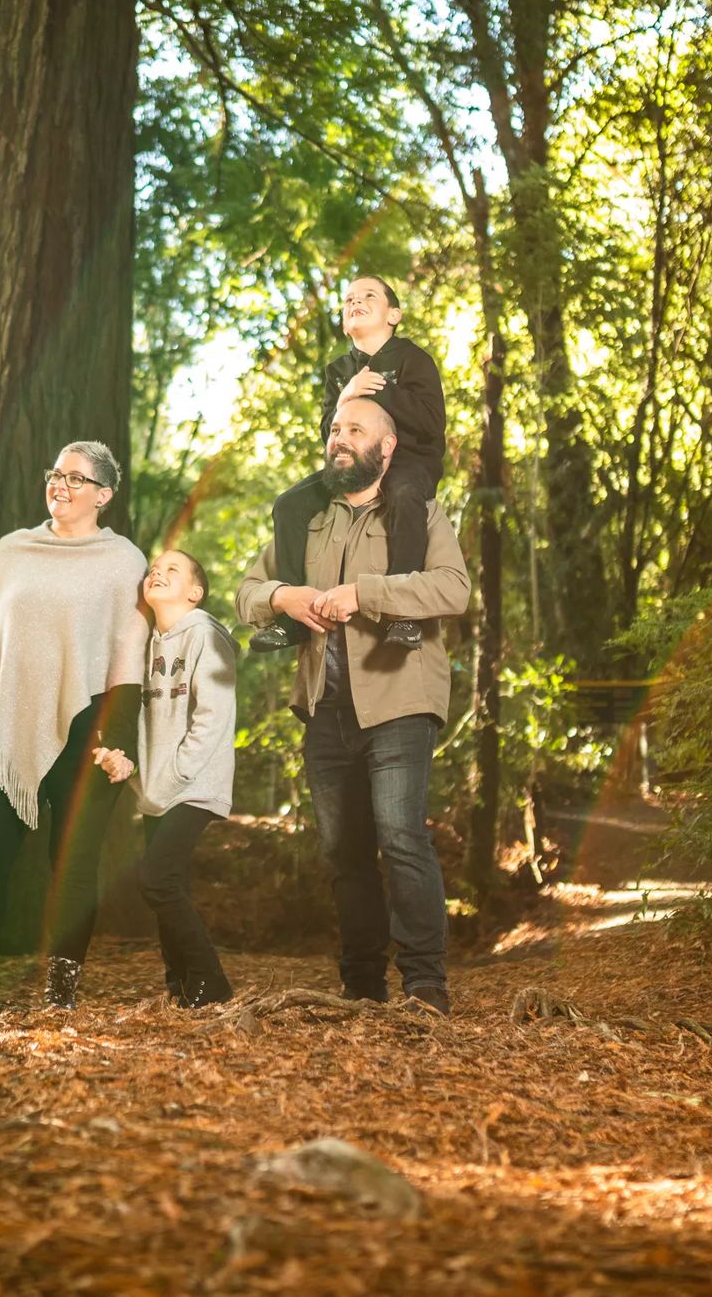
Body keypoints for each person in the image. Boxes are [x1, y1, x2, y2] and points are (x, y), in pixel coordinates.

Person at [236, 398, 470, 1014]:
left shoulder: (415, 511)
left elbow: (453, 587)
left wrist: (362, 594)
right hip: (324, 706)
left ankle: (425, 987)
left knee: (400, 838)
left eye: (355, 429)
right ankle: (362, 985)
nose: (340, 438)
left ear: (386, 447)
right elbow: (246, 592)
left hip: (399, 700)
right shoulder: (309, 519)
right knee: (344, 853)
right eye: (335, 429)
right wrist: (285, 596)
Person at [0, 441, 148, 1017]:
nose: (60, 485)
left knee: (71, 865)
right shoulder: (11, 551)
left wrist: (115, 740)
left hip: (88, 732)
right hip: (7, 727)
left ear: (104, 494)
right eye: (54, 474)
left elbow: (128, 657)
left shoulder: (124, 562)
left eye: (76, 478)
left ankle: (60, 995)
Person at [251, 275, 445, 654]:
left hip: (406, 461)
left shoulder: (413, 359)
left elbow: (431, 424)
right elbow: (329, 432)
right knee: (288, 505)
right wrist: (346, 394)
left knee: (404, 494)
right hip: (352, 464)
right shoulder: (338, 370)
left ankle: (403, 616)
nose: (355, 302)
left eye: (368, 296)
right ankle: (294, 621)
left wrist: (377, 390)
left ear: (394, 314)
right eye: (349, 299)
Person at [94, 549, 236, 1008]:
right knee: (169, 883)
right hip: (156, 788)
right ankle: (180, 984)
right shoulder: (145, 643)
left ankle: (212, 983)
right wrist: (133, 769)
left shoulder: (206, 636)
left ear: (195, 593)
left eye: (172, 569)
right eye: (154, 568)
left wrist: (175, 774)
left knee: (155, 878)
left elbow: (213, 717)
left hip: (193, 784)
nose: (157, 572)